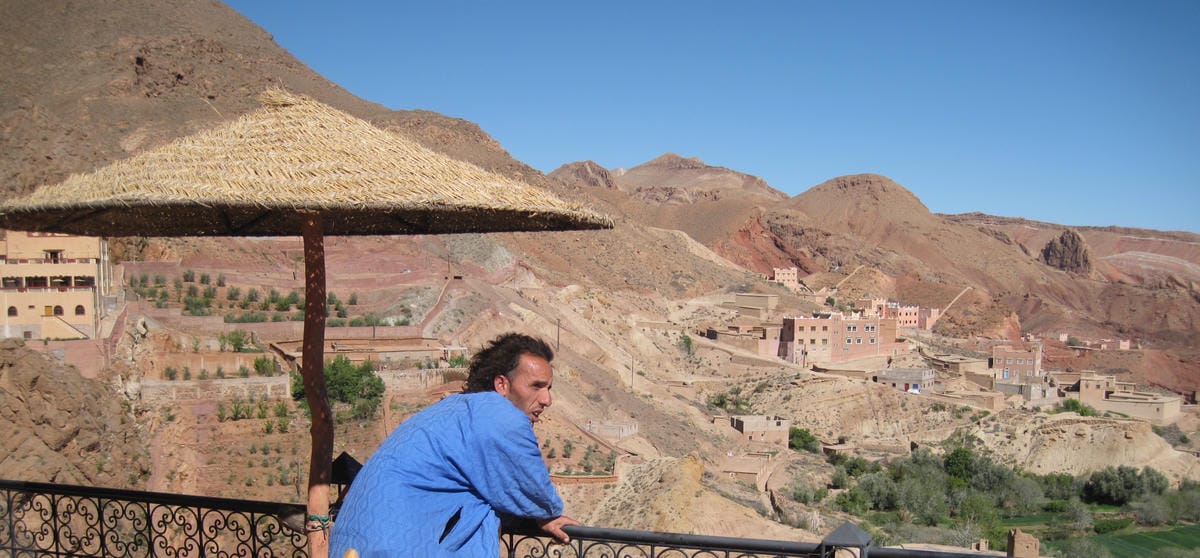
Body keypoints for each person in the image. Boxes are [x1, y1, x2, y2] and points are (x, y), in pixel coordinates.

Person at [329, 333, 578, 557]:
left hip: (354, 541)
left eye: (548, 388)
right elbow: (535, 491)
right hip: (391, 547)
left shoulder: (453, 410)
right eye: (536, 386)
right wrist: (547, 514)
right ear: (502, 385)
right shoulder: (500, 414)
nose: (547, 399)